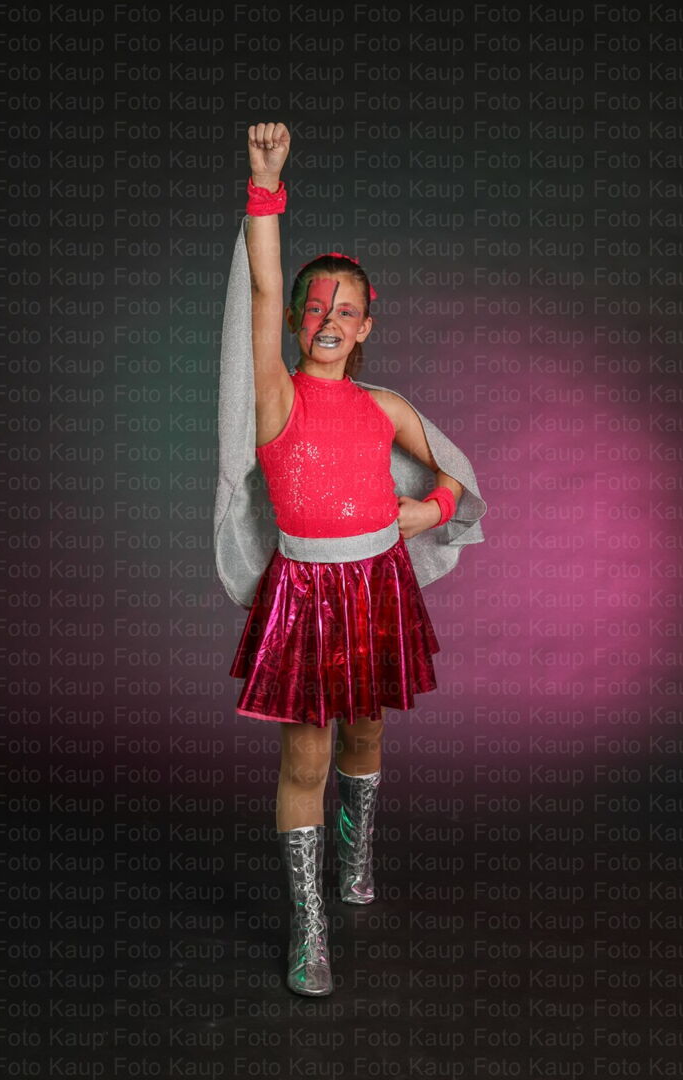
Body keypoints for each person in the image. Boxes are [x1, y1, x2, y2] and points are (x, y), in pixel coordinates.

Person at [214, 122, 487, 997]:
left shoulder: (385, 405)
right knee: (306, 759)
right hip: (305, 594)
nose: (327, 321)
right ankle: (309, 923)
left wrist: (427, 510)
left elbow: (457, 477)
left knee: (367, 729)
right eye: (315, 309)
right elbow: (262, 286)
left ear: (367, 323)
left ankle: (356, 847)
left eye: (344, 311)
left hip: (377, 587)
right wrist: (266, 186)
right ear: (298, 320)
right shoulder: (276, 397)